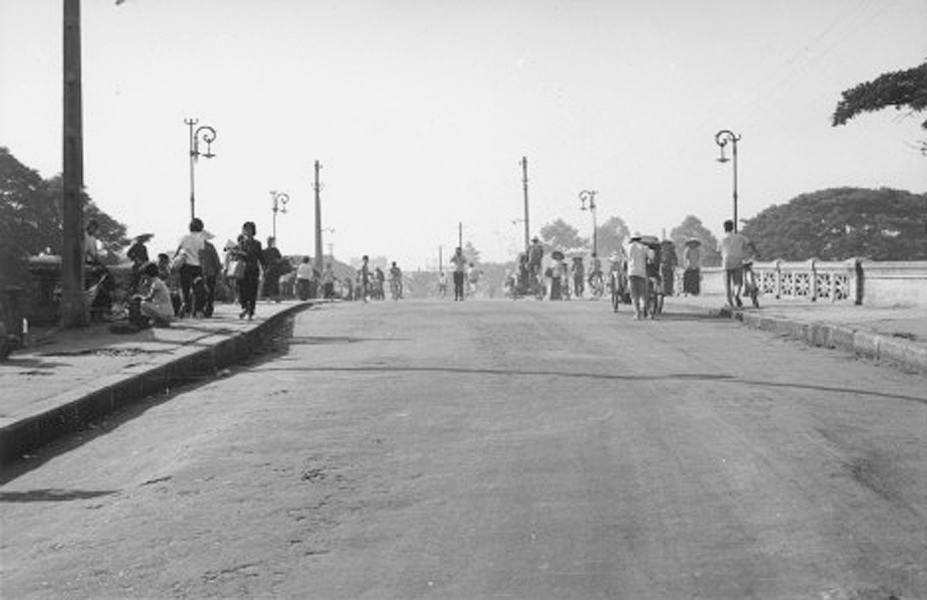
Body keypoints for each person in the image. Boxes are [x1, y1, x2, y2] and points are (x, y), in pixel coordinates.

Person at [719, 219, 758, 308]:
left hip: (726, 263)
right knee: (738, 283)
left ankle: (730, 303)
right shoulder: (739, 237)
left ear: (724, 228)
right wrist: (755, 252)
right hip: (738, 262)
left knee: (727, 285)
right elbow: (750, 243)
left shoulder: (722, 239)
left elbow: (719, 251)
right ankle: (736, 296)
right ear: (732, 227)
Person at [231, 221, 265, 320]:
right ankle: (244, 307)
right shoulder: (240, 243)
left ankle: (250, 311)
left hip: (253, 269)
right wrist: (235, 252)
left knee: (252, 291)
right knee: (242, 291)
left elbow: (260, 256)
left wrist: (264, 267)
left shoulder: (257, 244)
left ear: (253, 231)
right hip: (242, 270)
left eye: (249, 229)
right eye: (245, 229)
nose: (247, 231)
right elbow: (236, 256)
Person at [173, 218, 206, 317]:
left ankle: (185, 306)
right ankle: (196, 310)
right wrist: (203, 269)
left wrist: (174, 261)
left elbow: (178, 251)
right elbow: (201, 255)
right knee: (197, 289)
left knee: (185, 288)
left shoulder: (184, 237)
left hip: (185, 267)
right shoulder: (200, 239)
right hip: (196, 267)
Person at [135, 262, 173, 327]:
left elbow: (149, 298)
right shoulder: (157, 281)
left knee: (143, 304)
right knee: (146, 303)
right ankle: (158, 321)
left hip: (165, 314)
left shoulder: (156, 284)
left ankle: (148, 321)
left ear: (147, 274)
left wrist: (138, 297)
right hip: (167, 312)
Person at [627, 233, 651, 319]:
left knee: (634, 295)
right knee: (642, 294)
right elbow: (650, 257)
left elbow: (626, 256)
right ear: (640, 239)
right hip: (642, 273)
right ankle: (644, 307)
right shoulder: (644, 247)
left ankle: (637, 314)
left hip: (631, 273)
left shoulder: (628, 247)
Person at [199, 233, 222, 317]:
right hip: (210, 273)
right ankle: (208, 310)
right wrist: (218, 272)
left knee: (199, 292)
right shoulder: (210, 246)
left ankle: (199, 309)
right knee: (210, 293)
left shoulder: (195, 247)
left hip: (199, 273)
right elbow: (216, 260)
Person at [262, 237, 283, 302]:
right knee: (270, 283)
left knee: (272, 283)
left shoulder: (272, 250)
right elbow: (279, 259)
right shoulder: (272, 250)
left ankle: (275, 297)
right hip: (271, 269)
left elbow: (279, 259)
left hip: (271, 269)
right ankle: (272, 297)